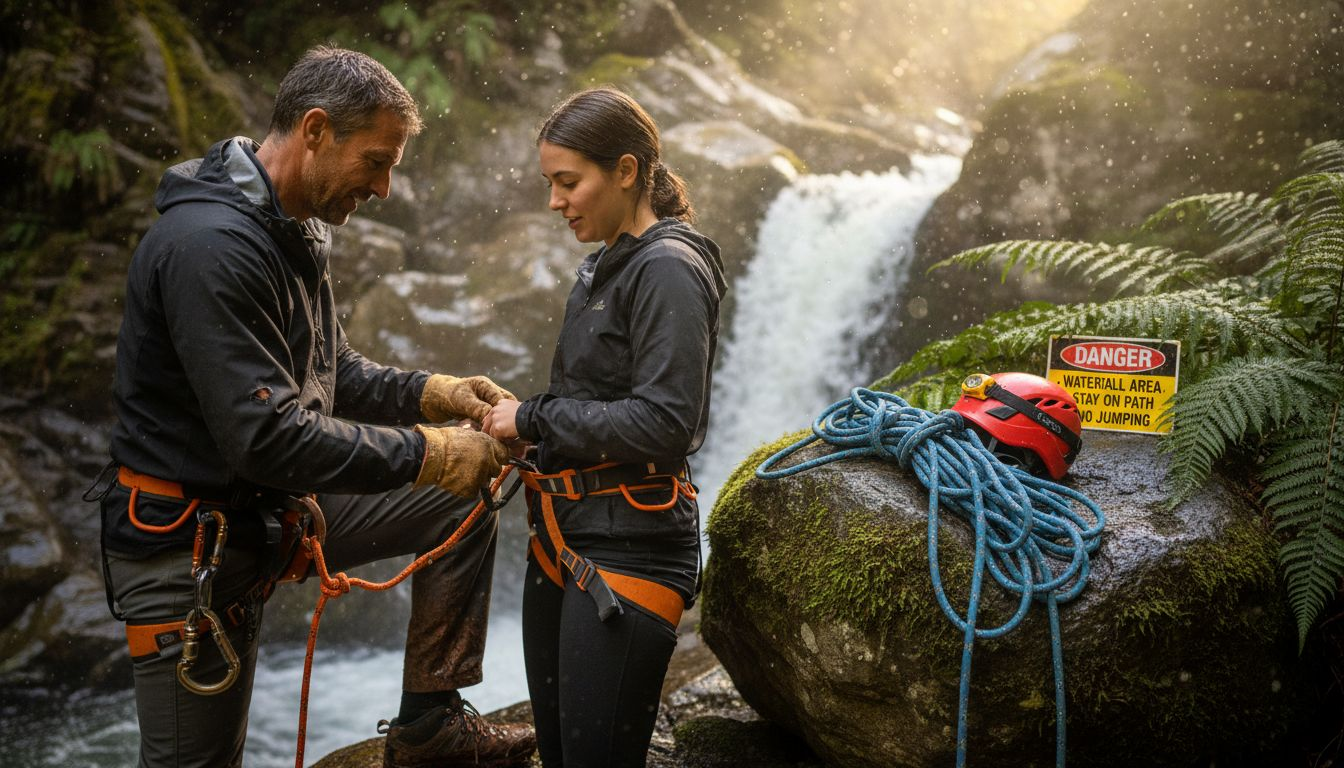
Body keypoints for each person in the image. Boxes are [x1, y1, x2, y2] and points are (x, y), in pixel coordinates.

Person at [96, 45, 535, 768]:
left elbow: (332, 372)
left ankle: (430, 727)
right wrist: (432, 451)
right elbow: (264, 437)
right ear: (316, 129)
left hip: (254, 516)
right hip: (188, 548)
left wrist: (437, 392)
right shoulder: (212, 247)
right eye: (377, 161)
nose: (387, 187)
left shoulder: (290, 226)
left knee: (460, 502)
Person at [482, 87, 726, 767]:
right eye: (549, 184)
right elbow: (598, 401)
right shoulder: (607, 262)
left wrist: (532, 414)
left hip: (633, 549)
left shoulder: (670, 269)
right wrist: (531, 436)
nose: (555, 201)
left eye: (568, 182)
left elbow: (666, 423)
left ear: (625, 171)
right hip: (564, 538)